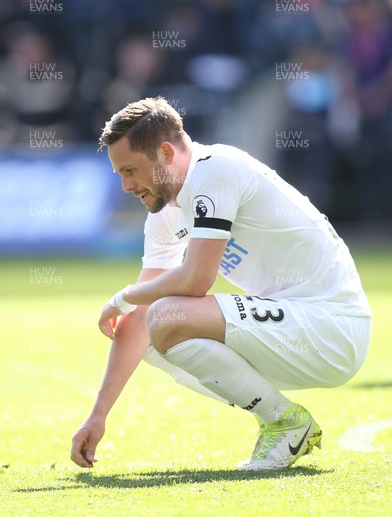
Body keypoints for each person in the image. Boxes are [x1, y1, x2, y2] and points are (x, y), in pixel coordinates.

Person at [71, 96, 372, 471]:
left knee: (166, 316)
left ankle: (286, 423)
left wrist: (124, 297)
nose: (126, 187)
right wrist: (97, 416)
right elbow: (138, 318)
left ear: (165, 152)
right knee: (150, 329)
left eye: (131, 171)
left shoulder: (216, 170)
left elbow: (196, 280)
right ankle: (283, 419)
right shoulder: (165, 213)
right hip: (296, 331)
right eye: (120, 175)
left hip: (333, 327)